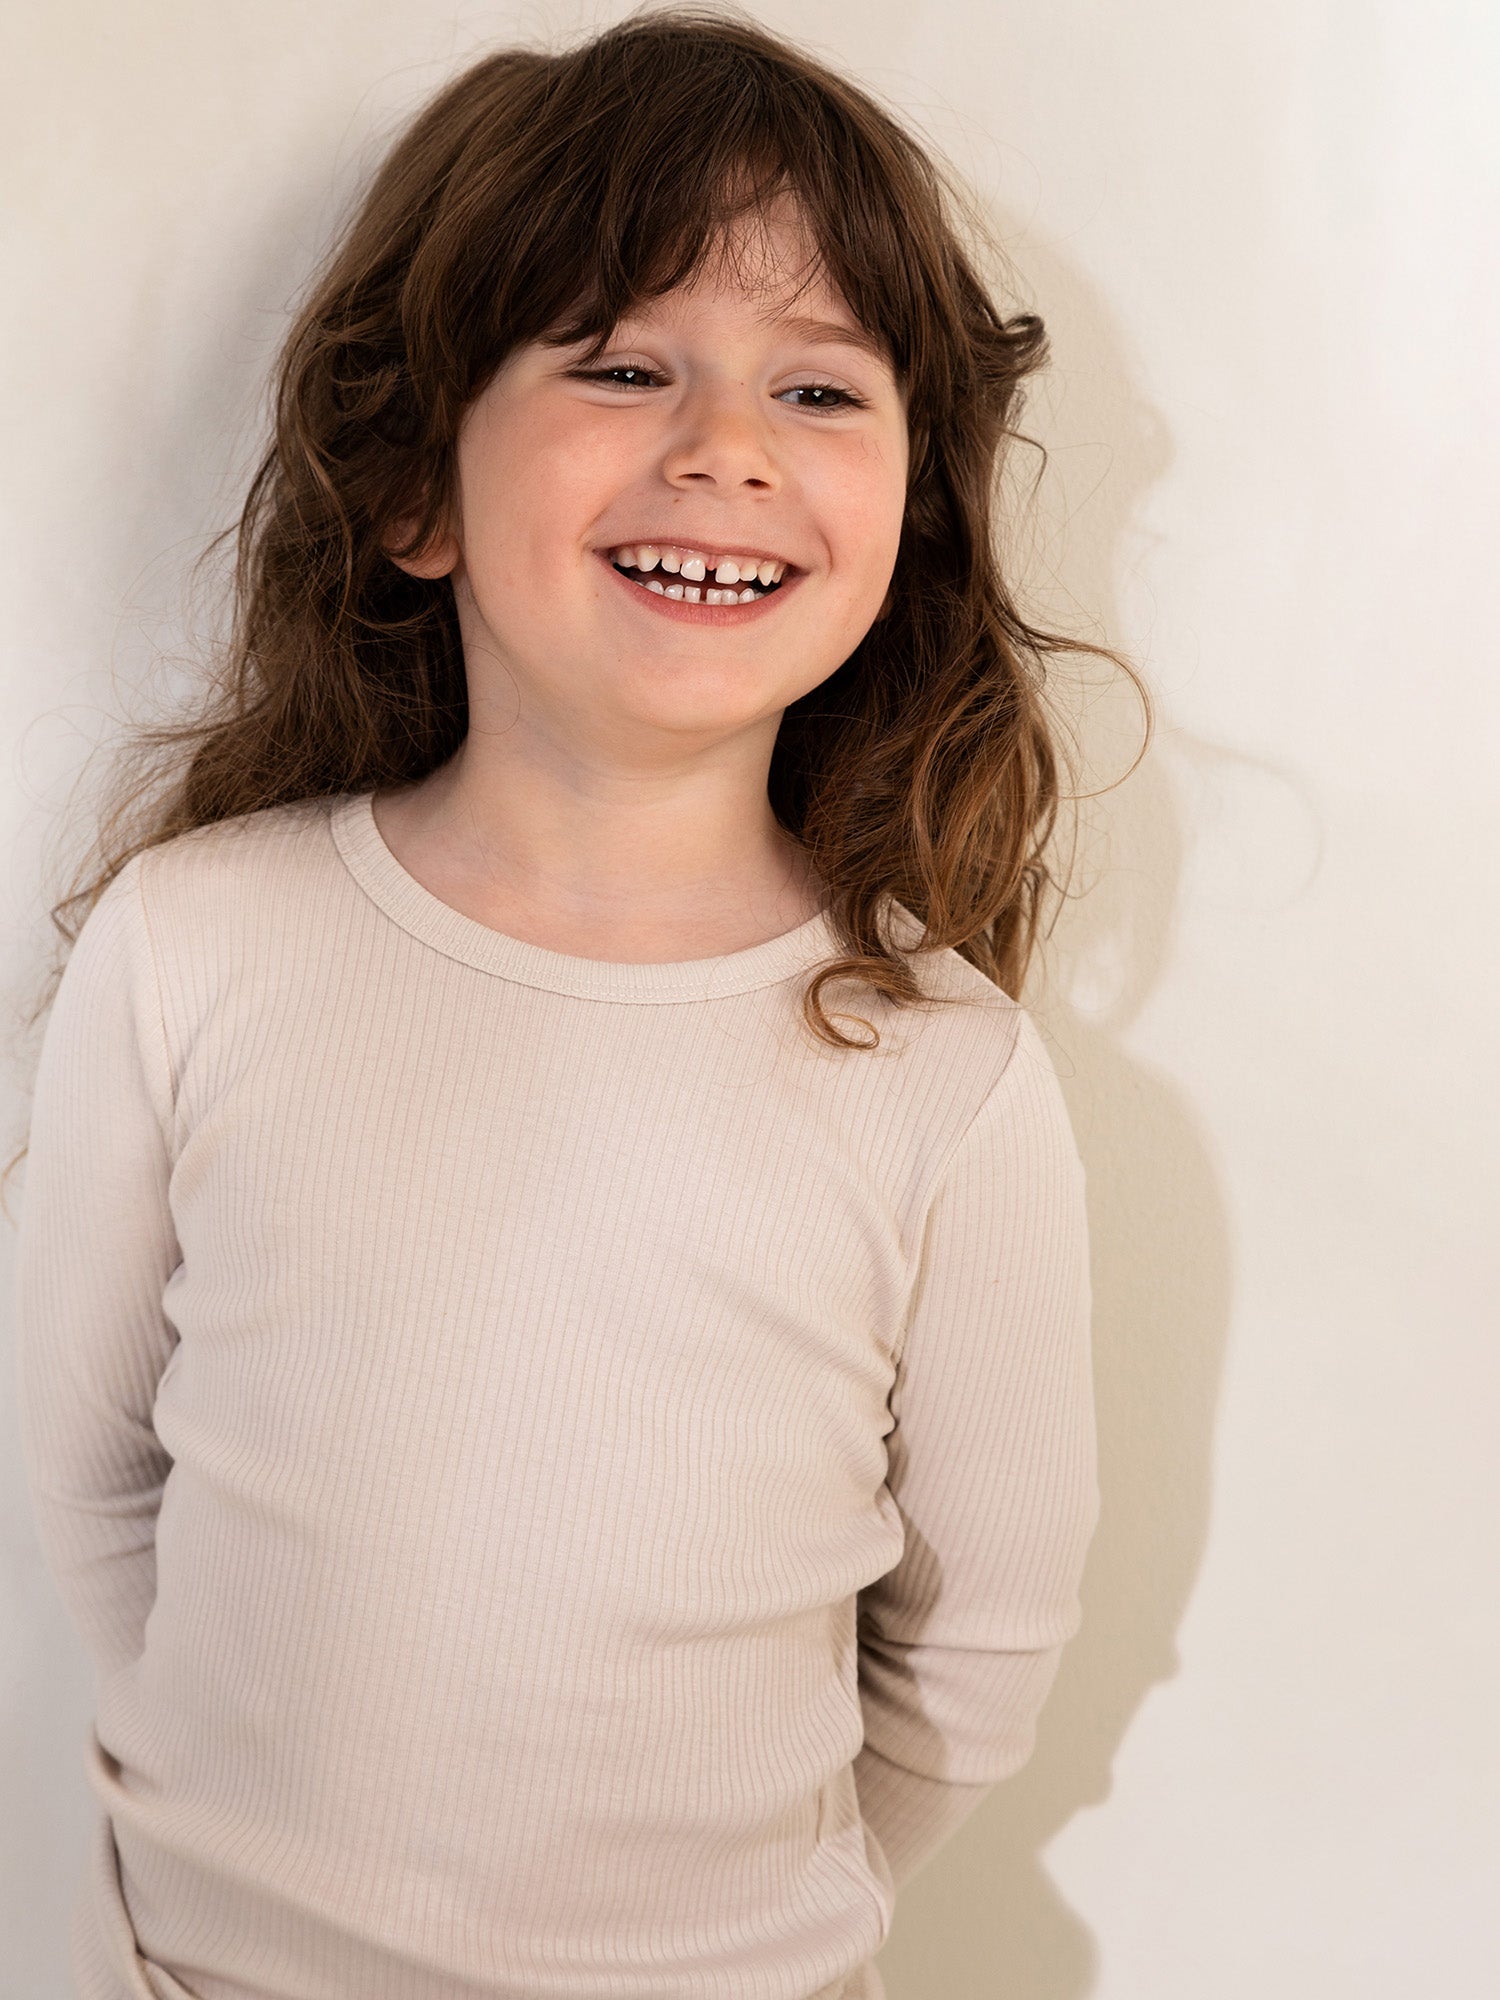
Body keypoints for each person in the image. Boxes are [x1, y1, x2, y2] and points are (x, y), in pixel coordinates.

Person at [12, 9, 1145, 1997]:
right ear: (415, 489)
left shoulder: (941, 1069)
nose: (727, 447)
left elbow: (975, 1651)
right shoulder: (197, 948)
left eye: (819, 386)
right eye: (623, 364)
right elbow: (94, 1482)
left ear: (911, 517)